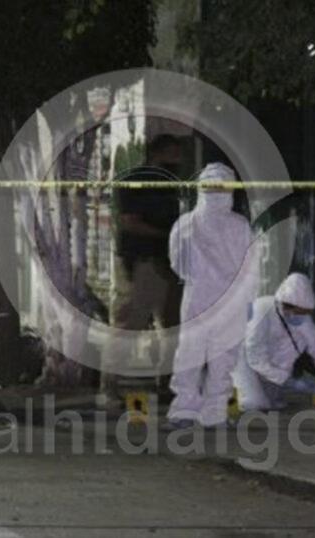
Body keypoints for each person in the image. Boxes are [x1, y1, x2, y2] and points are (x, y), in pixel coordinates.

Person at [166, 163, 258, 428]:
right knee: (222, 357)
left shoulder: (186, 224)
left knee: (191, 355)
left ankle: (185, 410)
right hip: (229, 300)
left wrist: (200, 274)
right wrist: (247, 298)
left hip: (198, 296)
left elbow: (178, 264)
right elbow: (251, 267)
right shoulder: (240, 225)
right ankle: (214, 413)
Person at [102, 134, 185, 403]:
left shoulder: (170, 184)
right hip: (142, 259)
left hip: (167, 261)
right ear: (158, 154)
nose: (178, 161)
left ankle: (166, 383)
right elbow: (130, 222)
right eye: (173, 154)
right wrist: (166, 235)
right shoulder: (135, 180)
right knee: (130, 324)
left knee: (171, 325)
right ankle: (111, 386)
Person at [233, 273, 315, 412]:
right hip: (241, 357)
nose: (302, 317)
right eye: (299, 312)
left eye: (305, 312)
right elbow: (255, 358)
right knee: (255, 403)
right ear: (286, 305)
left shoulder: (301, 316)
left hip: (268, 363)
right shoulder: (261, 312)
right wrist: (288, 381)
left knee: (274, 403)